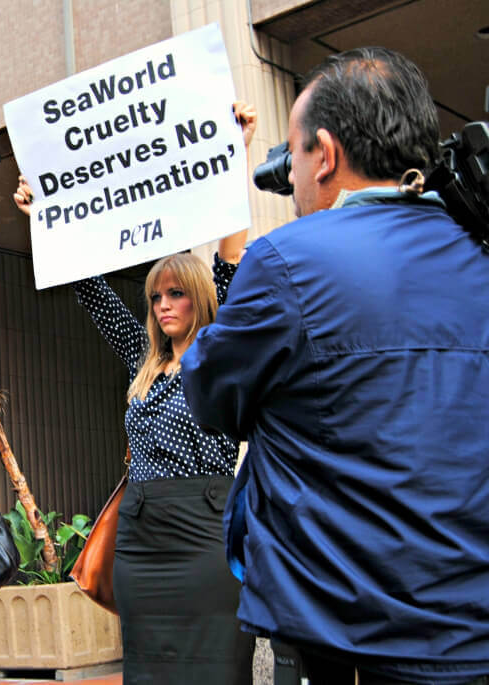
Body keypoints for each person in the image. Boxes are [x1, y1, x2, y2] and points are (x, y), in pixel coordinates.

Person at [181, 48, 489, 684]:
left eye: (291, 157)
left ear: (324, 153)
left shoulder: (289, 260)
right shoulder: (476, 251)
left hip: (352, 633)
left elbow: (211, 398)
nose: (289, 180)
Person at [11, 102, 257, 685]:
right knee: (146, 671)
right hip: (143, 534)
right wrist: (43, 214)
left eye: (176, 293)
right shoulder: (142, 360)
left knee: (217, 668)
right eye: (155, 297)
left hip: (205, 528)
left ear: (199, 297)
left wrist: (235, 155)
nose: (164, 304)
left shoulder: (219, 348)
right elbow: (90, 290)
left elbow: (231, 262)